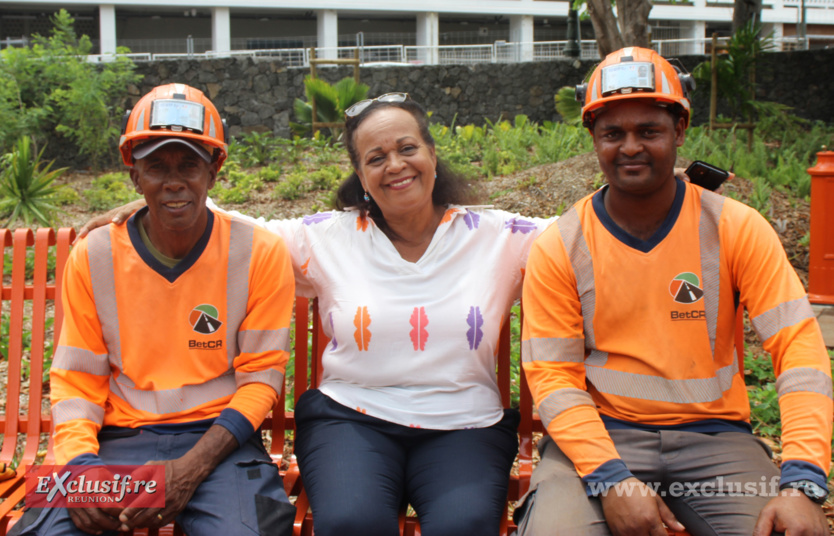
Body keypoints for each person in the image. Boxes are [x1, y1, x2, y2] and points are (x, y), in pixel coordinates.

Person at [78, 92, 559, 535]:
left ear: (432, 154)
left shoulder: (501, 236)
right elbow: (240, 231)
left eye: (407, 148)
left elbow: (578, 235)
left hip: (463, 423)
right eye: (376, 158)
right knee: (352, 521)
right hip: (353, 420)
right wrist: (158, 200)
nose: (395, 165)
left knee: (465, 526)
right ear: (360, 174)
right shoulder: (328, 237)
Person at [517, 47, 832, 536]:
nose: (630, 147)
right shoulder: (561, 246)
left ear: (679, 131)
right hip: (601, 438)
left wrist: (804, 482)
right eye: (613, 134)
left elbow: (800, 350)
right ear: (593, 140)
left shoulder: (735, 228)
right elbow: (553, 377)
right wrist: (610, 478)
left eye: (649, 131)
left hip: (716, 442)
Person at [10, 84, 296, 536]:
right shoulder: (94, 254)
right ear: (134, 176)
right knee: (42, 531)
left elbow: (262, 378)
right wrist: (81, 467)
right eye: (156, 167)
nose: (174, 181)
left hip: (220, 444)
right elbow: (77, 380)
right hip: (115, 441)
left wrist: (190, 469)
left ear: (214, 172)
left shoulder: (258, 251)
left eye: (189, 165)